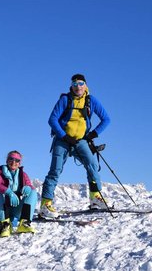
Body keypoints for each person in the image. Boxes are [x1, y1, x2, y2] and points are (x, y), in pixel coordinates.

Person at [40, 74, 111, 219]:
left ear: (85, 85)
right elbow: (52, 119)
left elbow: (106, 119)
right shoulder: (65, 99)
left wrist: (93, 135)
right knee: (55, 170)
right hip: (62, 140)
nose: (78, 86)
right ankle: (45, 206)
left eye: (80, 83)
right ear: (71, 86)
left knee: (92, 165)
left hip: (81, 140)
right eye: (75, 84)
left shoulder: (91, 101)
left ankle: (95, 199)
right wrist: (64, 136)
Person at [0, 150, 38, 237]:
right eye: (11, 159)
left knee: (33, 192)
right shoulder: (0, 173)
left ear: (19, 163)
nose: (14, 162)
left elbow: (29, 185)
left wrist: (28, 187)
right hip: (0, 209)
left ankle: (24, 223)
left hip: (15, 209)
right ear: (7, 160)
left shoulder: (23, 175)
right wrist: (8, 192)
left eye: (17, 160)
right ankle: (5, 225)